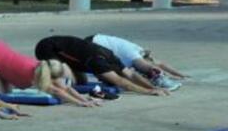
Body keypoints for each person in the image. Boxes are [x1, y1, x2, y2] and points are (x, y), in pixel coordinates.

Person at [0, 38, 94, 107]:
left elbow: (64, 87)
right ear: (49, 75)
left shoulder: (46, 66)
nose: (56, 81)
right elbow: (57, 91)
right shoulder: (36, 74)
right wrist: (79, 103)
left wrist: (84, 99)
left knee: (8, 92)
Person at [34, 35, 167, 96]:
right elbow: (121, 82)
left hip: (70, 52)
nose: (102, 79)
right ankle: (45, 78)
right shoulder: (99, 62)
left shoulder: (113, 58)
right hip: (47, 48)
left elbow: (131, 74)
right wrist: (149, 92)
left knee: (81, 81)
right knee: (66, 81)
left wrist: (152, 87)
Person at [87, 33, 187, 88]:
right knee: (121, 75)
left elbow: (159, 63)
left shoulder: (139, 51)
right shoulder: (134, 55)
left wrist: (179, 75)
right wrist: (160, 77)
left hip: (96, 41)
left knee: (122, 71)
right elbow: (148, 66)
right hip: (94, 44)